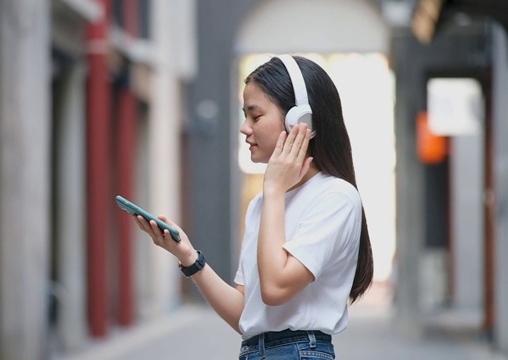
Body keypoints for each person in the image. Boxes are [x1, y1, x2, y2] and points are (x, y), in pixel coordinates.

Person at [133, 54, 374, 360]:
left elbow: (275, 288)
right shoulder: (264, 203)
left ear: (300, 121)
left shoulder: (336, 197)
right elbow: (246, 316)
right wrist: (188, 257)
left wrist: (274, 189)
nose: (244, 128)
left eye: (255, 116)